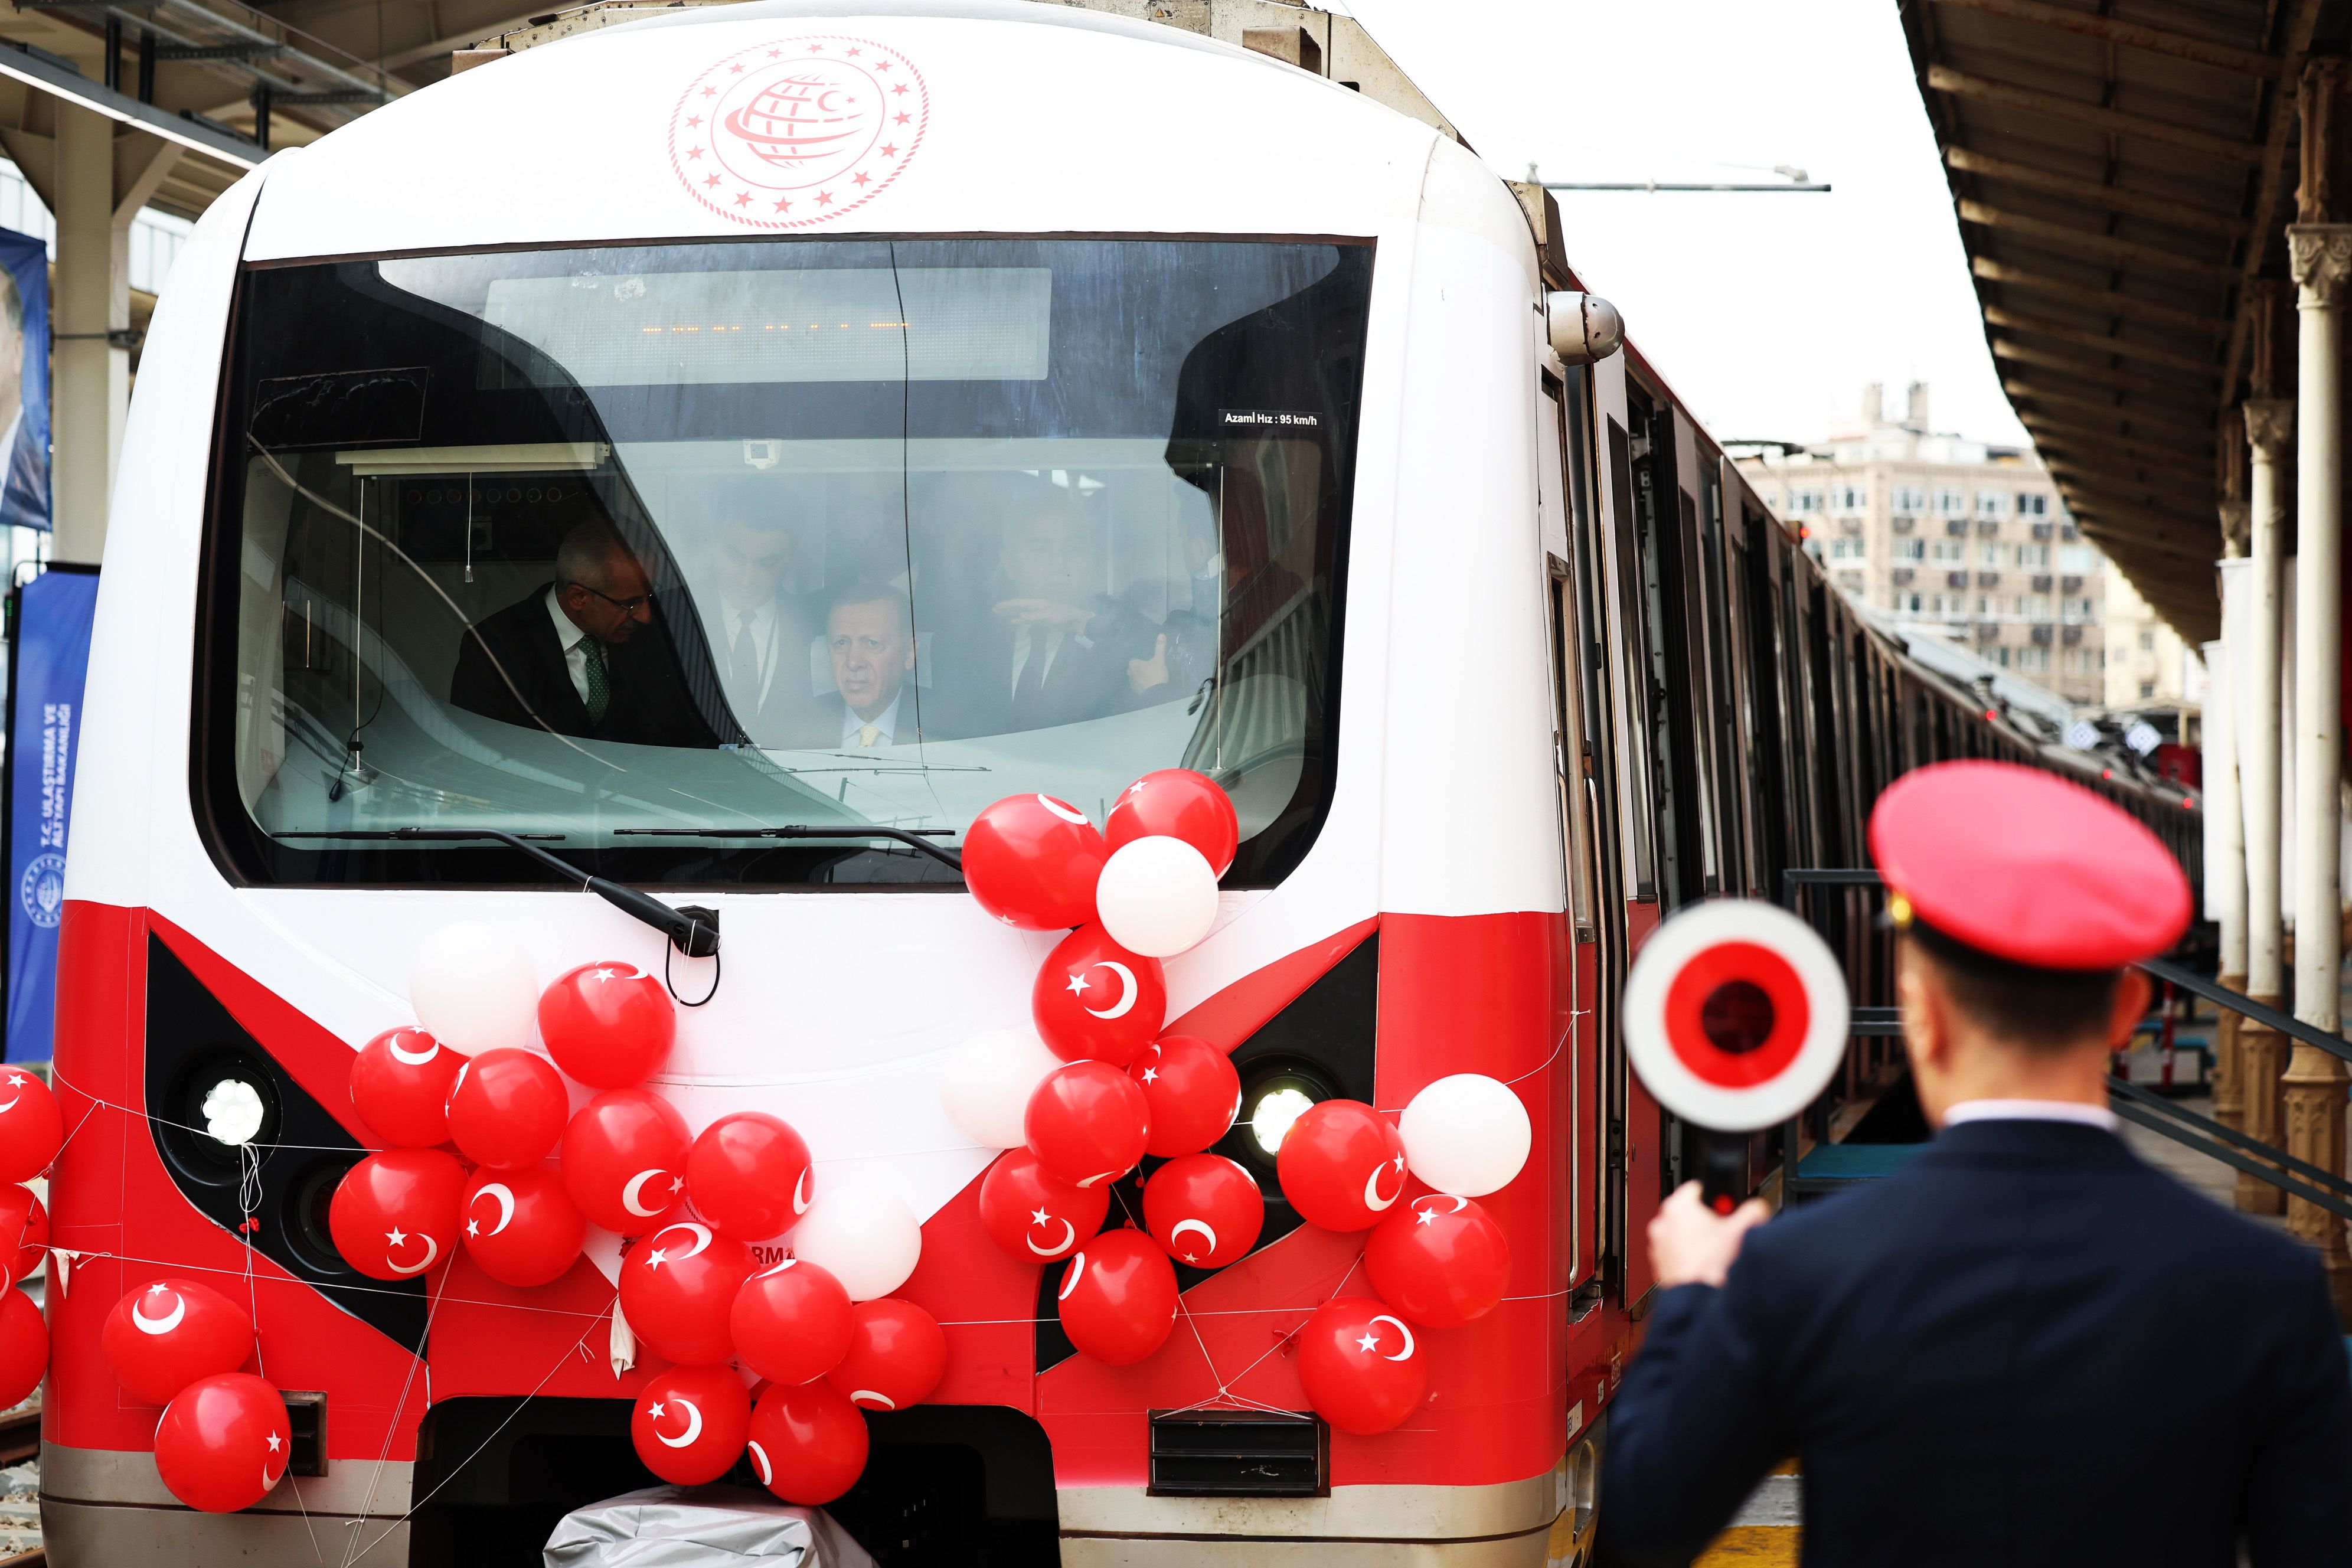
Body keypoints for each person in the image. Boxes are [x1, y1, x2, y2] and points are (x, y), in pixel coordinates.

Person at [1599, 760, 2352, 1568]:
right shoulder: (2267, 1288)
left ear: (1919, 1011)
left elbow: (1642, 1530)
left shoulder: (1797, 1274)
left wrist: (1688, 1298)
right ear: (2130, 1009)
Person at [448, 518, 713, 747]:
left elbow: (683, 735)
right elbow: (477, 754)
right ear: (578, 598)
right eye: (631, 603)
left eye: (650, 595)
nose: (645, 616)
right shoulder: (493, 650)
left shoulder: (657, 639)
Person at [929, 487, 1165, 737]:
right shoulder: (973, 639)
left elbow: (1162, 651)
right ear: (1009, 563)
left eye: (1073, 549)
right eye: (1041, 549)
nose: (1060, 565)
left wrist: (1080, 623)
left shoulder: (1112, 627)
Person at [705, 510, 819, 744]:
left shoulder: (818, 624)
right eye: (735, 557)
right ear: (716, 544)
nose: (747, 579)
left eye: (767, 563)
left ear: (793, 557)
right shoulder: (668, 616)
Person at [786, 581, 917, 749]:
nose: (853, 662)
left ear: (909, 653)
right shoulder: (795, 728)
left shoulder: (946, 728)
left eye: (872, 643)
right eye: (841, 643)